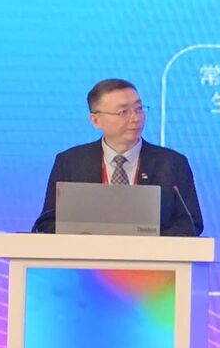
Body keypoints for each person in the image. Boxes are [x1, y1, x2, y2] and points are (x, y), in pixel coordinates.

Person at [33, 79, 204, 236]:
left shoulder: (172, 163)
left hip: (151, 258)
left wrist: (143, 244)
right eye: (123, 112)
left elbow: (191, 224)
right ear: (95, 120)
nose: (135, 118)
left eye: (139, 108)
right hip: (86, 258)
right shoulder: (70, 162)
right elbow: (48, 223)